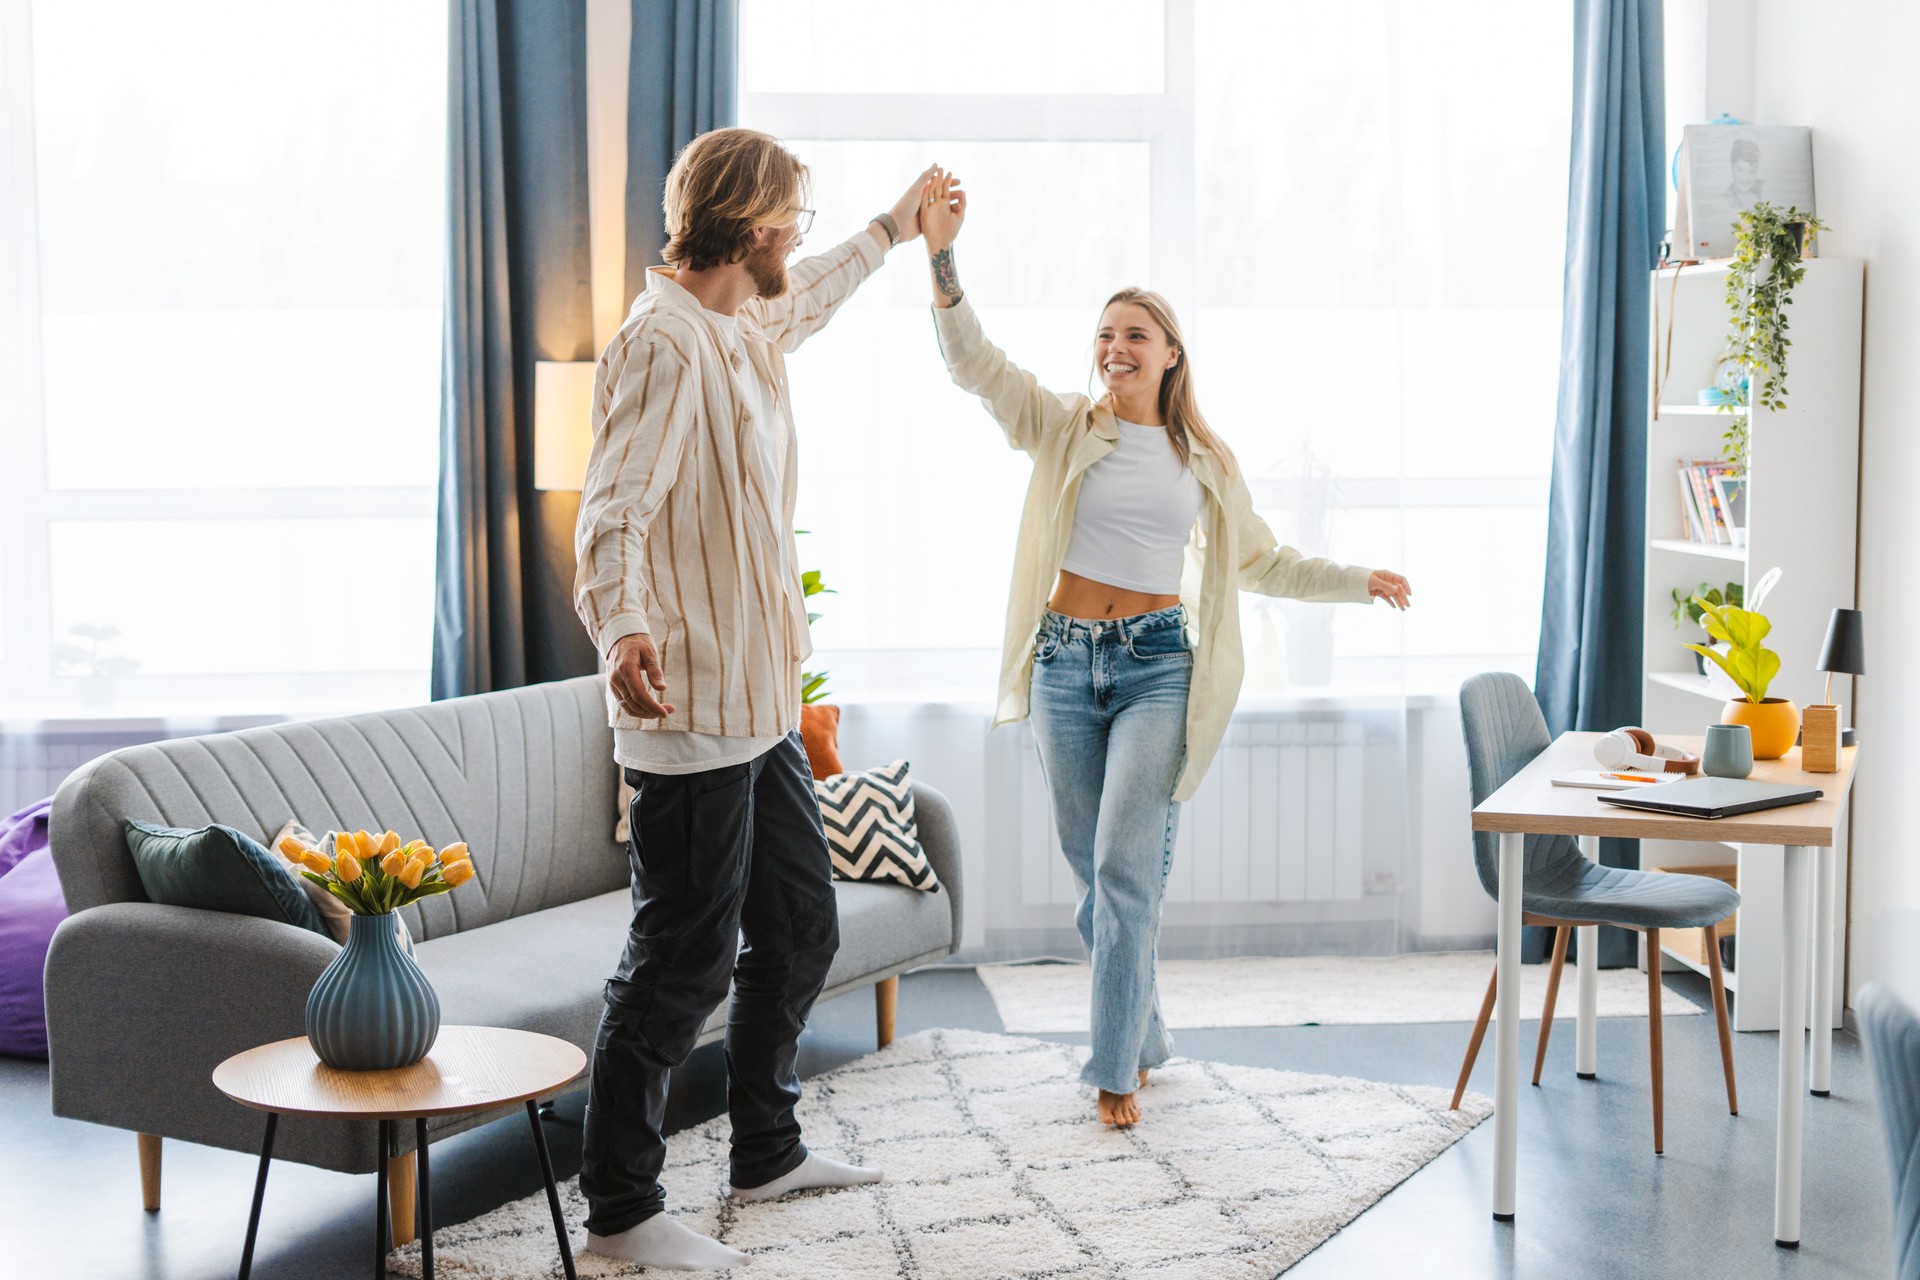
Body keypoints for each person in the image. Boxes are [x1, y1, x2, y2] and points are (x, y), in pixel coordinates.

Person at [918, 167, 1413, 1128]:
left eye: (1133, 335)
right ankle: (1143, 1033)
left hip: (1156, 671)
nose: (1113, 349)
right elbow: (974, 363)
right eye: (1103, 336)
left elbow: (1266, 563)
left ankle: (1112, 1071)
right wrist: (941, 257)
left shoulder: (1205, 463)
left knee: (1123, 869)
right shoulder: (1062, 426)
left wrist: (1359, 580)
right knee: (1089, 869)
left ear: (1172, 354)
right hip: (1063, 663)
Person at [572, 127, 933, 1270]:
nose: (799, 243)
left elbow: (810, 298)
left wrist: (894, 226)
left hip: (759, 700)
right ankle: (623, 1209)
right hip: (687, 712)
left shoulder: (737, 322)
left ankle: (763, 1147)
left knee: (800, 919)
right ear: (754, 224)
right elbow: (613, 509)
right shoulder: (664, 343)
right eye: (797, 221)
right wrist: (623, 622)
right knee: (679, 956)